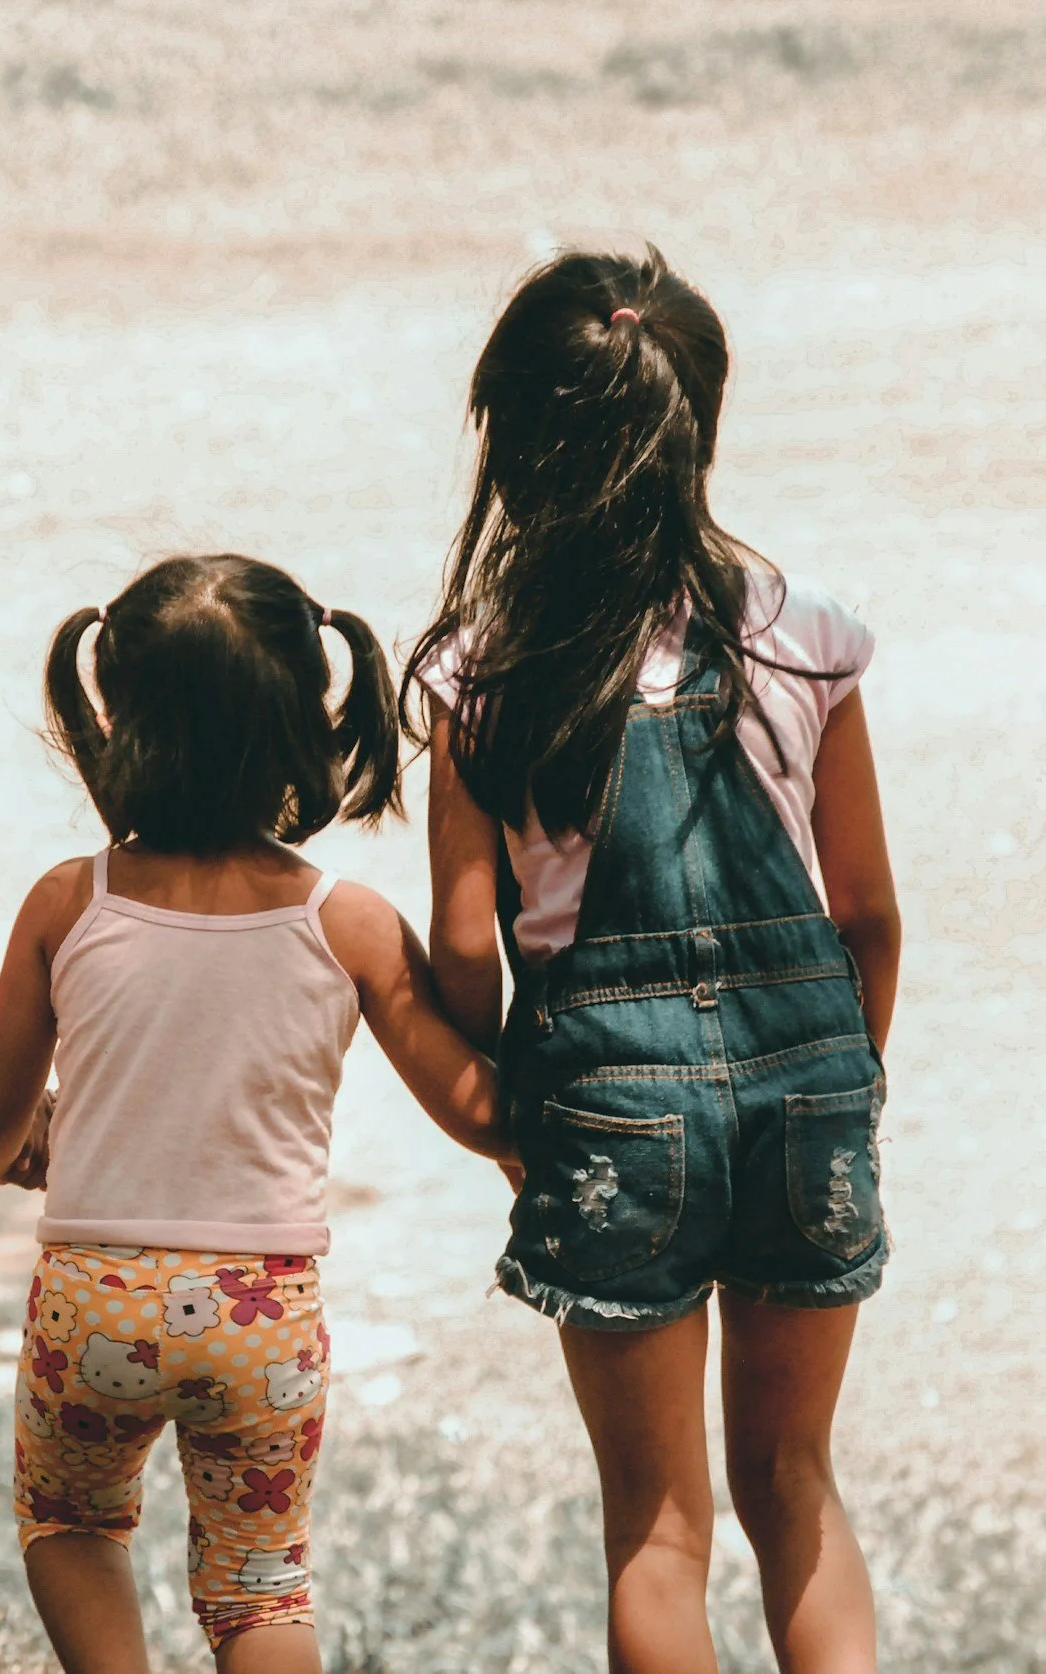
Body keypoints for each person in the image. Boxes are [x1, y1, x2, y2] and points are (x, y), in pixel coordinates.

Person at [406, 248, 902, 1674]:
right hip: (813, 1082)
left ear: (509, 435)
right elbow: (867, 912)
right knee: (795, 1482)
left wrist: (515, 1119)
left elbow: (458, 941)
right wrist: (843, 1077)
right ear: (702, 423)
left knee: (658, 1527)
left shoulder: (482, 666)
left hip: (611, 1101)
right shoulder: (800, 638)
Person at [0, 554, 512, 1674]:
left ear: (113, 715)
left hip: (95, 1296)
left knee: (71, 1523)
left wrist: (38, 1132)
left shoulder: (72, 901)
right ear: (309, 716)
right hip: (262, 1310)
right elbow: (476, 1109)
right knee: (260, 1583)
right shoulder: (345, 923)